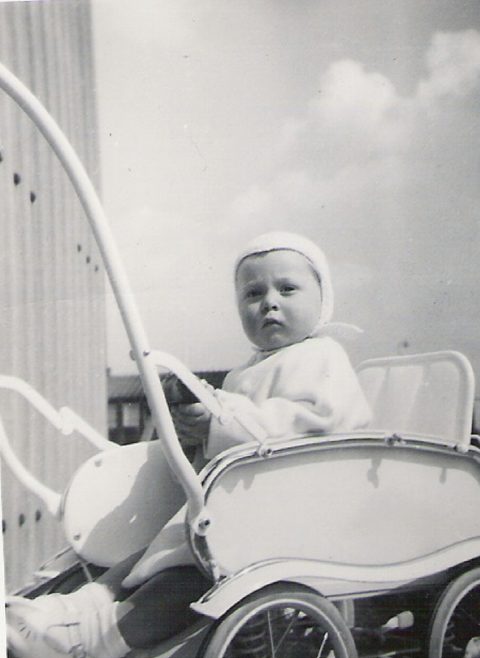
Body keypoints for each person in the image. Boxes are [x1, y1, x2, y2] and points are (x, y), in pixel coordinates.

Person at [5, 231, 372, 658]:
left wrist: (219, 423)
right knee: (149, 552)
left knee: (190, 570)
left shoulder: (323, 357)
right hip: (246, 510)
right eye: (253, 293)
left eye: (287, 289)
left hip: (299, 513)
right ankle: (76, 609)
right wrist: (194, 420)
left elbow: (312, 426)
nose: (270, 302)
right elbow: (231, 435)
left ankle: (96, 635)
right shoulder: (244, 373)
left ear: (322, 298)